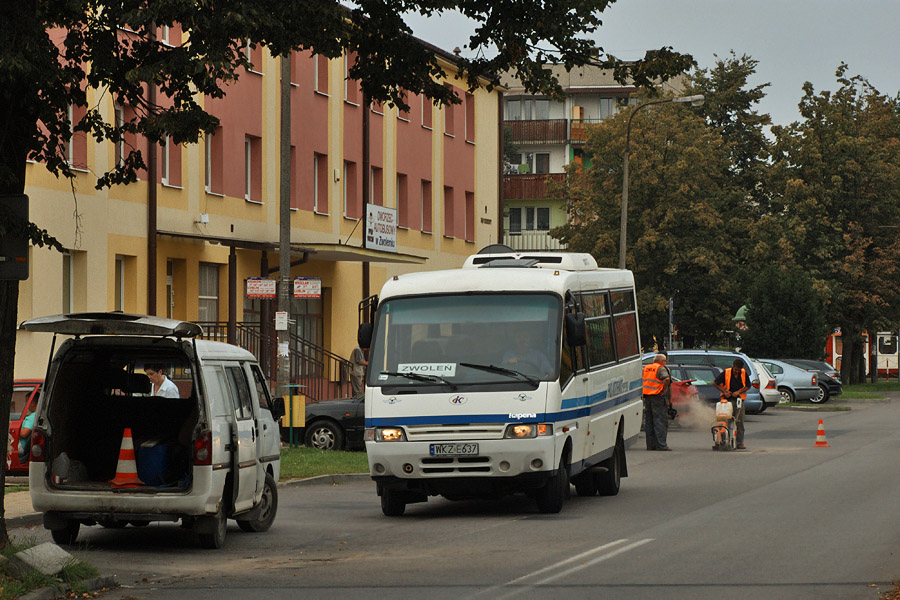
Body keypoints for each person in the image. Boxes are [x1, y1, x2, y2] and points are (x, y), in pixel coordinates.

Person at [714, 358, 751, 450]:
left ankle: (739, 443)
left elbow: (748, 386)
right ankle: (723, 441)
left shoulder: (743, 373)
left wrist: (739, 391)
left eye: (739, 370)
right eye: (736, 369)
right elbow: (715, 383)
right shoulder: (726, 372)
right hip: (727, 400)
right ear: (733, 366)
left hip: (739, 400)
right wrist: (725, 391)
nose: (737, 371)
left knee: (739, 421)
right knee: (725, 420)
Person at [642, 353, 672, 451]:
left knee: (649, 421)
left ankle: (650, 445)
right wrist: (664, 389)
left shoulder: (646, 368)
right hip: (658, 397)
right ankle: (661, 445)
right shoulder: (660, 368)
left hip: (647, 397)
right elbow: (666, 379)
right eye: (665, 361)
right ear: (662, 361)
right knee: (660, 421)